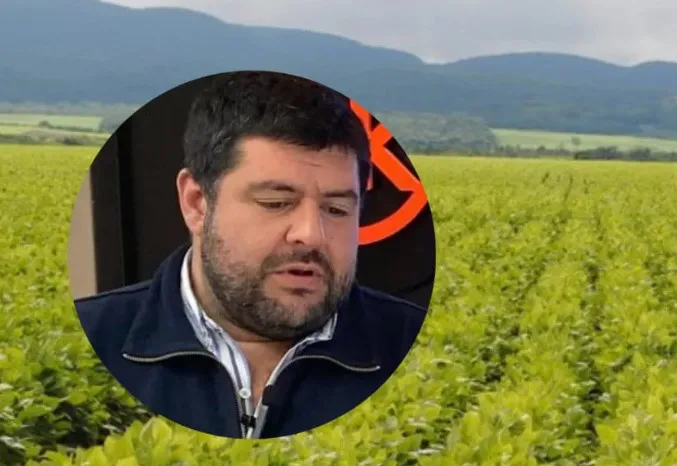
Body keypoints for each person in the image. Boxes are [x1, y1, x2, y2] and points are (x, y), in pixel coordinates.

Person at [74, 71, 427, 439]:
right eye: (276, 203)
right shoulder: (90, 343)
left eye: (336, 209)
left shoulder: (417, 350)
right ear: (196, 203)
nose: (311, 235)